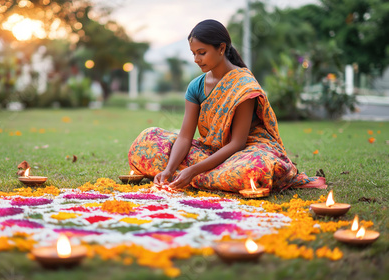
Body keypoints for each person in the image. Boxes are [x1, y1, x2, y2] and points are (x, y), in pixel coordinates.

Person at [127, 19, 326, 193]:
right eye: (193, 53)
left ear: (221, 48)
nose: (196, 60)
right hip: (211, 152)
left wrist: (193, 169)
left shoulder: (243, 86)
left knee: (255, 168)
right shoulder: (196, 86)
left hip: (247, 151)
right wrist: (169, 169)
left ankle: (195, 177)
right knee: (148, 141)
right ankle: (203, 177)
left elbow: (237, 143)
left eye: (202, 53)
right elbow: (186, 136)